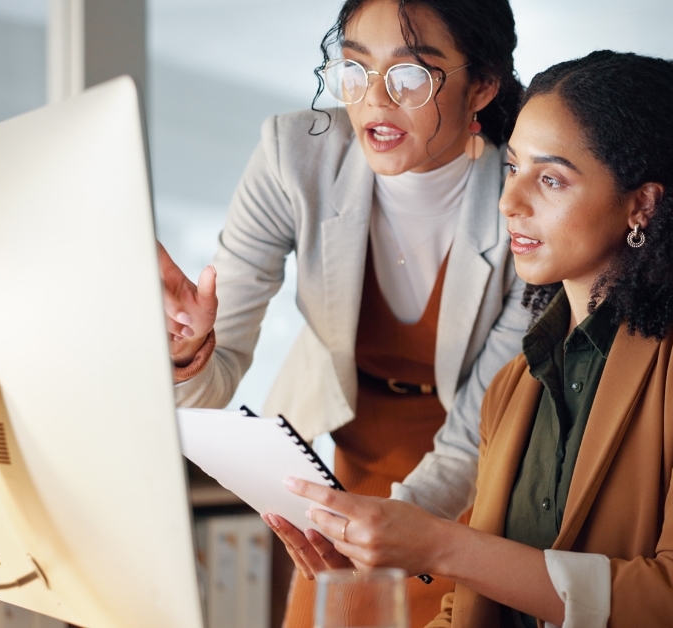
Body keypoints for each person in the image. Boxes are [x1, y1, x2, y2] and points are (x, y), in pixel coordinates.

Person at [274, 50, 673, 627]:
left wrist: (436, 545)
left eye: (550, 179)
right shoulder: (514, 383)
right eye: (512, 168)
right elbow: (471, 610)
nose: (510, 202)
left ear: (642, 204)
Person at [156, 0, 528, 625]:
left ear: (482, 86)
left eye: (411, 75)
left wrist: (388, 535)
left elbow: (472, 436)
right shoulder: (294, 156)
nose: (374, 101)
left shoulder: (521, 198)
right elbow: (212, 385)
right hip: (350, 467)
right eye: (355, 69)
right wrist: (189, 350)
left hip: (485, 479)